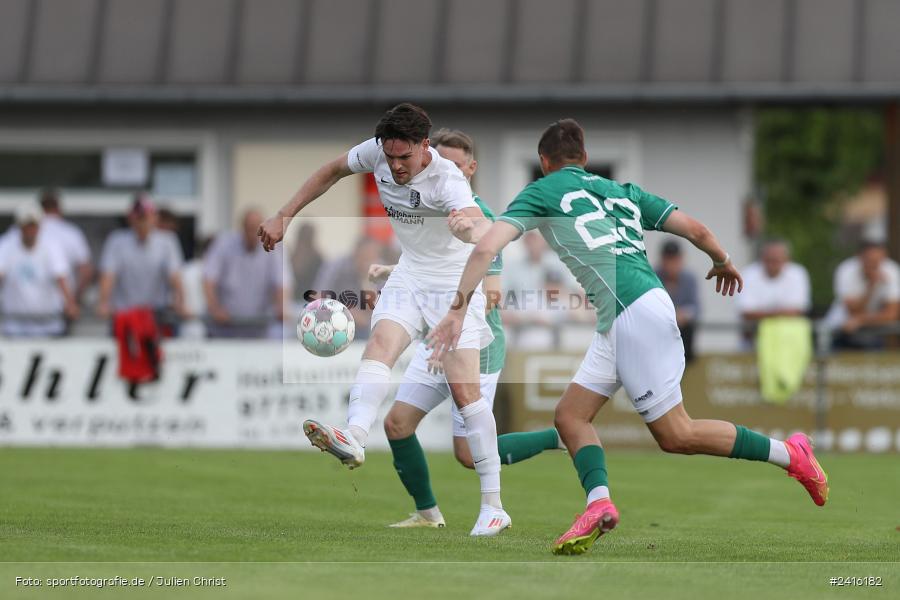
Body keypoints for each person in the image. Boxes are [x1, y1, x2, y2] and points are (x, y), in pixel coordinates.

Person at [427, 119, 829, 555]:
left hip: (632, 312)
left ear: (544, 162)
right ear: (583, 157)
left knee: (676, 434)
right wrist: (724, 260)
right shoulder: (624, 192)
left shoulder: (542, 190)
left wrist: (455, 308)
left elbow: (488, 248)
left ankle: (790, 454)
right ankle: (598, 505)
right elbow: (696, 229)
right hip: (626, 312)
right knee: (570, 417)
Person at [258, 103, 510, 536]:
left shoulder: (448, 181)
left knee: (467, 396)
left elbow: (481, 232)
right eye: (389, 157)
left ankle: (493, 505)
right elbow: (331, 170)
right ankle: (354, 436)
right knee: (379, 346)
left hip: (452, 285)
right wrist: (285, 214)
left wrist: (467, 230)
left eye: (404, 158)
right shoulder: (376, 152)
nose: (394, 167)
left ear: (424, 146)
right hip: (411, 273)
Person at [368, 128, 562, 528]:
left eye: (455, 165)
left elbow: (491, 294)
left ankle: (555, 437)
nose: (443, 171)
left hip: (475, 344)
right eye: (437, 162)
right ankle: (427, 514)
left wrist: (449, 317)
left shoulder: (482, 219)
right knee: (396, 424)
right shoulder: (428, 208)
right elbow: (430, 267)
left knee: (466, 454)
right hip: (439, 340)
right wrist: (394, 271)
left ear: (470, 169)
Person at [97, 194, 187, 332]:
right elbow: (108, 276)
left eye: (145, 217)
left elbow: (175, 276)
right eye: (139, 218)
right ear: (131, 219)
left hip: (157, 315)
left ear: (154, 218)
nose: (142, 222)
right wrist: (104, 303)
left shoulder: (167, 241)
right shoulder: (117, 241)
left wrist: (180, 302)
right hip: (125, 314)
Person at [204, 209, 288, 338]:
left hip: (259, 331)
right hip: (224, 330)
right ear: (242, 228)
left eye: (257, 229)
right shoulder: (224, 243)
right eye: (250, 228)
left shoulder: (275, 247)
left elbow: (281, 282)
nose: (254, 234)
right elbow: (209, 279)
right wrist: (215, 309)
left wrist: (281, 307)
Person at [0, 202, 79, 337]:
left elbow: (60, 277)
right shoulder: (6, 244)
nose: (31, 230)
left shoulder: (51, 246)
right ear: (19, 226)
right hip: (14, 325)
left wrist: (70, 303)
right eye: (27, 226)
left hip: (48, 324)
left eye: (34, 225)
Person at [826, 240, 900, 349]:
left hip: (875, 333)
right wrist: (871, 287)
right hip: (840, 331)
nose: (875, 265)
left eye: (879, 260)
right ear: (859, 258)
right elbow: (852, 310)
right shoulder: (846, 270)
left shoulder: (892, 270)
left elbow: (892, 314)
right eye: (870, 260)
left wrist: (860, 320)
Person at [311, 237, 385, 341]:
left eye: (372, 258)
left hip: (364, 325)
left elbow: (377, 310)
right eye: (365, 257)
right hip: (333, 317)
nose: (368, 263)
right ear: (355, 253)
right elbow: (318, 298)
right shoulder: (336, 266)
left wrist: (367, 281)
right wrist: (346, 312)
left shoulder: (381, 271)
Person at [737, 238, 811, 334]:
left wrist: (763, 314)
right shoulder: (748, 274)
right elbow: (746, 312)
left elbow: (798, 310)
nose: (771, 265)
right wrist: (782, 313)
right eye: (768, 260)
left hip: (789, 337)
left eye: (776, 260)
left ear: (787, 259)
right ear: (762, 258)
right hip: (753, 336)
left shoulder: (798, 273)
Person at [655, 240, 700, 362]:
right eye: (668, 259)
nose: (671, 264)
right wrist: (672, 316)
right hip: (657, 335)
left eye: (674, 259)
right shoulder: (653, 277)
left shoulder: (689, 279)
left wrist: (684, 315)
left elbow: (696, 308)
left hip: (682, 335)